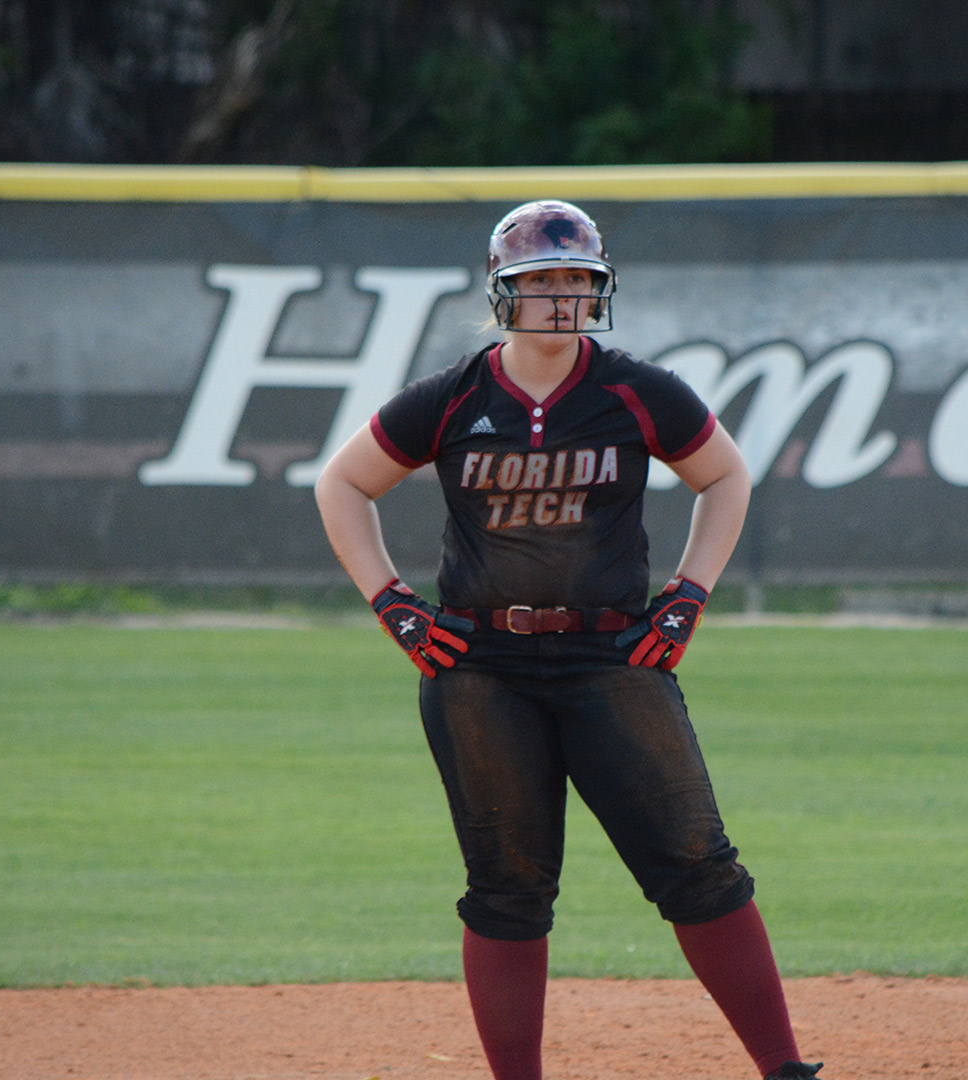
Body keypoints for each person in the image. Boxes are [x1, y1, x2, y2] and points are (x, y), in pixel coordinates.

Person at [315, 200, 823, 1080]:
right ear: (501, 292)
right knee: (507, 887)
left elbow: (725, 476)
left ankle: (784, 1070)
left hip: (611, 657)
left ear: (600, 287)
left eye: (576, 279)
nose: (560, 296)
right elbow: (343, 483)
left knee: (697, 863)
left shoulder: (634, 388)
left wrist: (689, 595)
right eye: (539, 280)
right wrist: (393, 602)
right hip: (478, 665)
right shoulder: (455, 397)